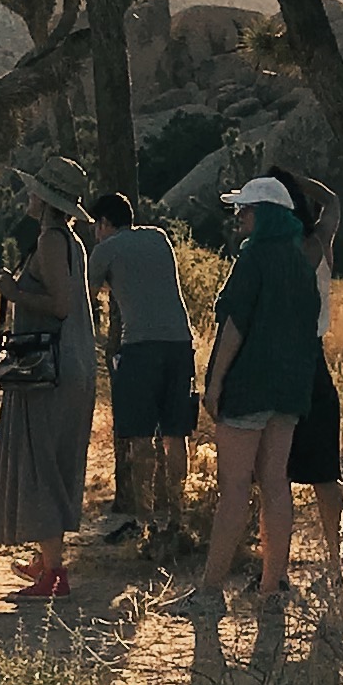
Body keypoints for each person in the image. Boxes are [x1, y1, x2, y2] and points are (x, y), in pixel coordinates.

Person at [192, 175, 322, 602]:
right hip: (288, 392)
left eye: (244, 210)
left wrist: (215, 384)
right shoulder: (301, 263)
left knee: (232, 489)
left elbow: (234, 328)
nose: (238, 217)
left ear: (262, 214)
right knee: (275, 482)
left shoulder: (252, 260)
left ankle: (210, 590)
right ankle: (271, 587)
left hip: (248, 388)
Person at [0, 151, 98, 599]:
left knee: (41, 462)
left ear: (46, 199)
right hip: (71, 363)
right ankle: (48, 561)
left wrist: (12, 291)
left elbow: (60, 305)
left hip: (50, 368)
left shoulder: (50, 241)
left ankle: (54, 576)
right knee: (53, 460)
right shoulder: (69, 241)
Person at [89, 187, 196, 547]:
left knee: (140, 438)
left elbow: (86, 294)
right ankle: (178, 516)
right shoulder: (158, 237)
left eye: (96, 226)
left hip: (140, 345)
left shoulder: (105, 249)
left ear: (103, 223)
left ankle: (144, 521)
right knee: (175, 433)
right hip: (180, 342)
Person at [281, 171, 343, 582]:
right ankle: (336, 562)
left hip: (284, 361)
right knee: (325, 472)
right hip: (316, 359)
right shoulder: (319, 243)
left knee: (277, 472)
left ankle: (279, 568)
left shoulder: (276, 249)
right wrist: (299, 182)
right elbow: (334, 201)